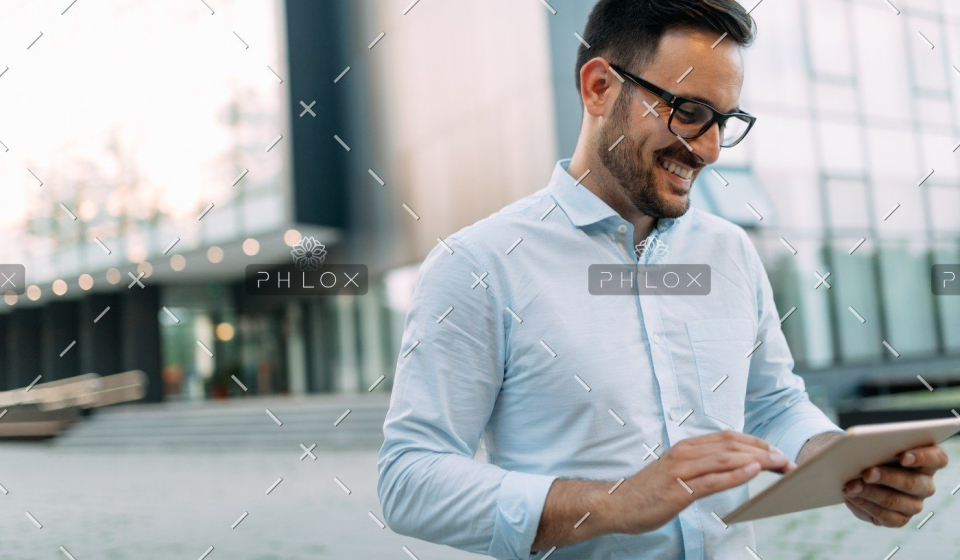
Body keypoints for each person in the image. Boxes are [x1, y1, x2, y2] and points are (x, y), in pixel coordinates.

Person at [376, 1, 949, 558]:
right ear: (599, 87)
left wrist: (843, 463)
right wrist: (615, 503)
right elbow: (411, 479)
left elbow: (771, 403)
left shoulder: (729, 253)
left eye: (725, 121)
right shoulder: (481, 264)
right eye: (689, 111)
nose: (710, 149)